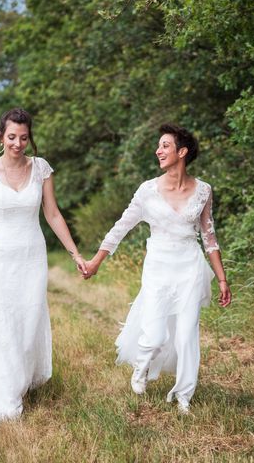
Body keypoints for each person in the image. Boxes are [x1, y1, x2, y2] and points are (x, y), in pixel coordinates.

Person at [84, 123, 232, 413]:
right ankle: (141, 368)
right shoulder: (147, 191)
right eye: (159, 146)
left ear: (182, 152)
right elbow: (120, 228)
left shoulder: (203, 191)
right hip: (158, 266)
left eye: (165, 145)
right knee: (154, 336)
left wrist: (222, 279)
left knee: (187, 333)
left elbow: (209, 238)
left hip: (190, 265)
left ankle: (184, 396)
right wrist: (96, 262)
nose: (158, 150)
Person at [0, 108, 87, 422]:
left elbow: (53, 214)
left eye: (24, 138)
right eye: (12, 137)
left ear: (30, 138)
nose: (17, 143)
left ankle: (18, 382)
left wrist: (75, 254)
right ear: (1, 136)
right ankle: (2, 394)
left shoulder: (41, 168)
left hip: (31, 257)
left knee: (27, 321)